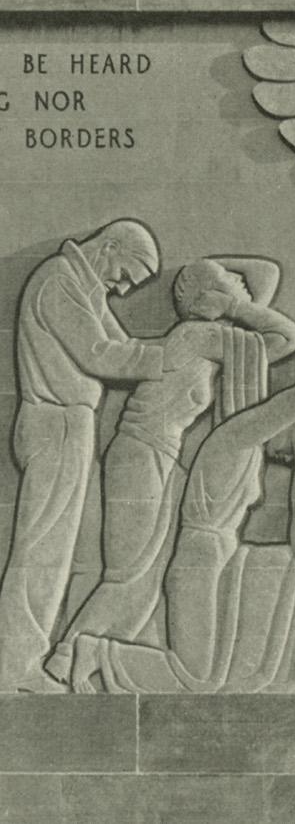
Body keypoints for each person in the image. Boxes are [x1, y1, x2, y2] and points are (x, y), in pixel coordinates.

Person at [69, 310, 295, 694]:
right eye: (288, 429)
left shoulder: (249, 449)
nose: (291, 448)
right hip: (199, 567)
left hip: (227, 559)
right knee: (200, 678)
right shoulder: (233, 439)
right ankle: (96, 652)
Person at [45, 257, 295, 683]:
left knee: (146, 581)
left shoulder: (211, 337)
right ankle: (65, 655)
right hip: (139, 454)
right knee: (129, 574)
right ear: (208, 299)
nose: (244, 287)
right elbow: (285, 336)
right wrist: (231, 305)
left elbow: (267, 276)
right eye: (231, 282)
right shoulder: (198, 335)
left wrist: (225, 292)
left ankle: (81, 656)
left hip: (156, 456)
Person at [0, 219, 165, 693]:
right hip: (55, 423)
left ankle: (33, 663)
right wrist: (173, 358)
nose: (124, 287)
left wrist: (162, 355)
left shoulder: (86, 288)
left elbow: (121, 344)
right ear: (109, 246)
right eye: (126, 274)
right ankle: (15, 667)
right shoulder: (59, 279)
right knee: (42, 552)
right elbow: (101, 355)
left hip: (71, 425)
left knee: (61, 552)